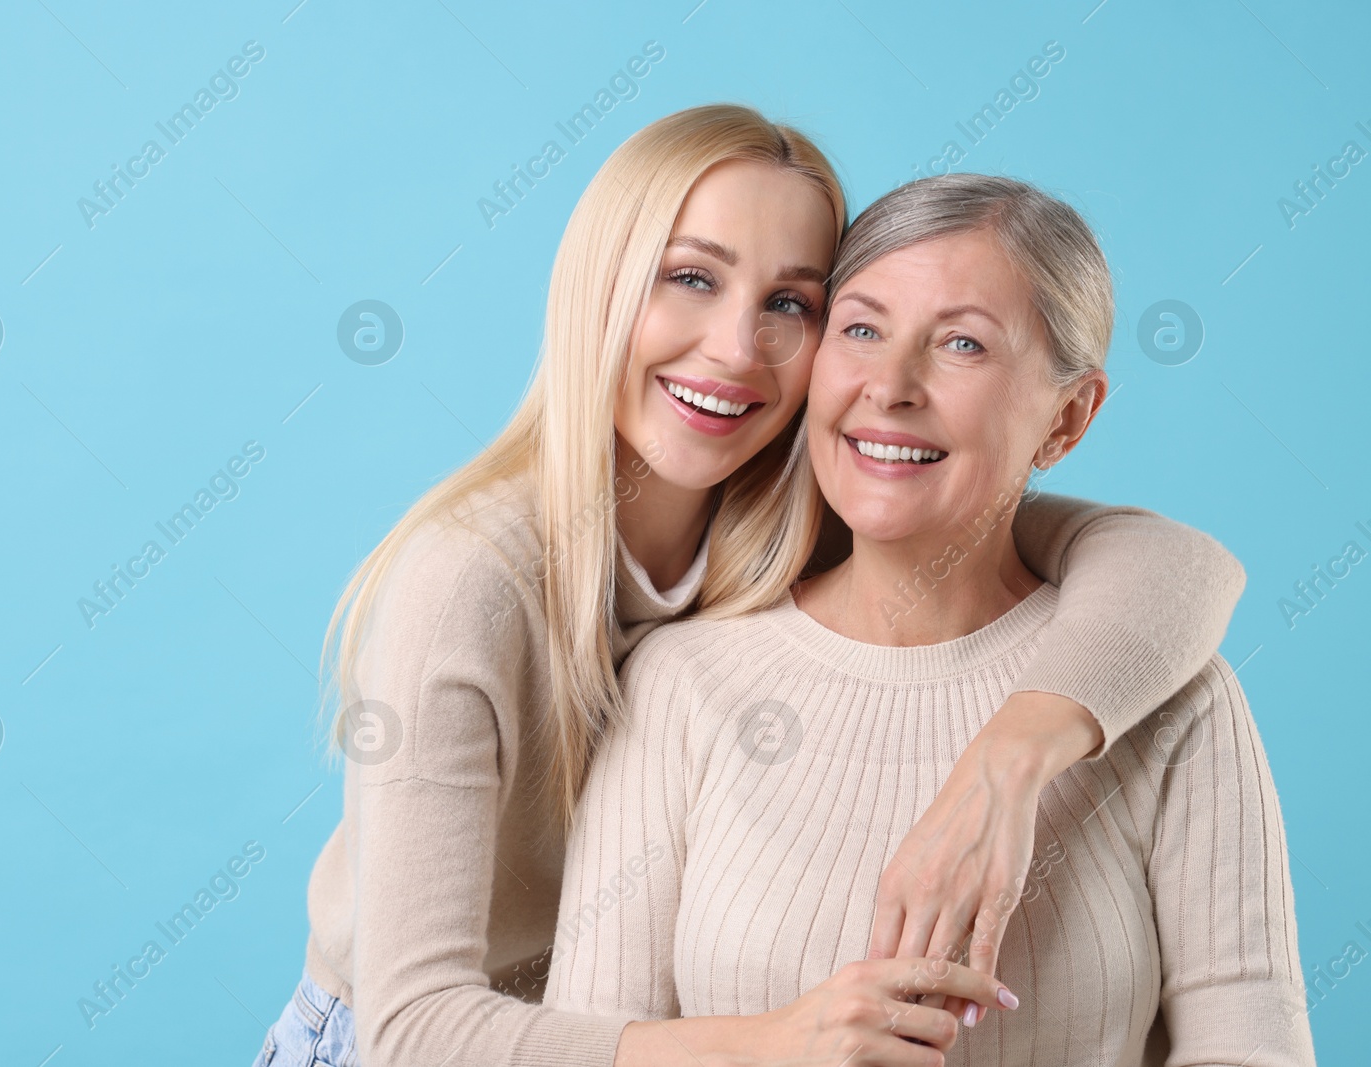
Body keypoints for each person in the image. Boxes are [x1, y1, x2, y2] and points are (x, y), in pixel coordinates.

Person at [251, 106, 1248, 1067]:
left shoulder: (799, 518)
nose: (735, 347)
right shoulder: (472, 579)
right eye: (690, 277)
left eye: (790, 304)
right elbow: (412, 1032)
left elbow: (1178, 566)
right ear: (600, 287)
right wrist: (777, 1041)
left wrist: (1006, 763)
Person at [543, 173, 1313, 1066]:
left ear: (1066, 419)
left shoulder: (1168, 695)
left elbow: (1250, 1042)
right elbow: (592, 1045)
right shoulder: (684, 685)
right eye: (861, 329)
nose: (891, 386)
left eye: (962, 345)